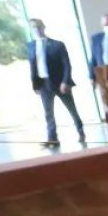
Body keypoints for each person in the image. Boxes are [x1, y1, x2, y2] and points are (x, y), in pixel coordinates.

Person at [28, 18, 85, 148]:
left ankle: (80, 131)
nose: (36, 29)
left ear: (43, 27)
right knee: (48, 113)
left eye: (38, 27)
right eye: (33, 28)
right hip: (43, 83)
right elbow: (32, 66)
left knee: (71, 108)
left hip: (59, 83)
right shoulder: (31, 46)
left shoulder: (57, 45)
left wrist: (65, 81)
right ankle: (52, 138)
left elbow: (66, 65)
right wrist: (35, 85)